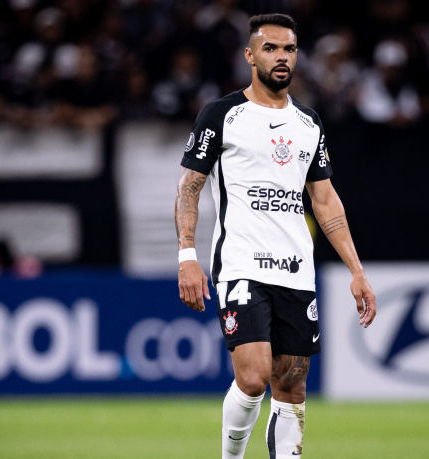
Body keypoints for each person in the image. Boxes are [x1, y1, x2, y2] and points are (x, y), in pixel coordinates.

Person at [174, 13, 376, 459]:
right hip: (242, 264)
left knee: (292, 385)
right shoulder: (221, 115)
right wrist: (187, 255)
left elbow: (325, 200)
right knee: (253, 377)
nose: (281, 57)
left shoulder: (309, 123)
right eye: (271, 48)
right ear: (250, 56)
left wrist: (357, 271)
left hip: (296, 271)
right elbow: (189, 187)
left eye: (289, 49)